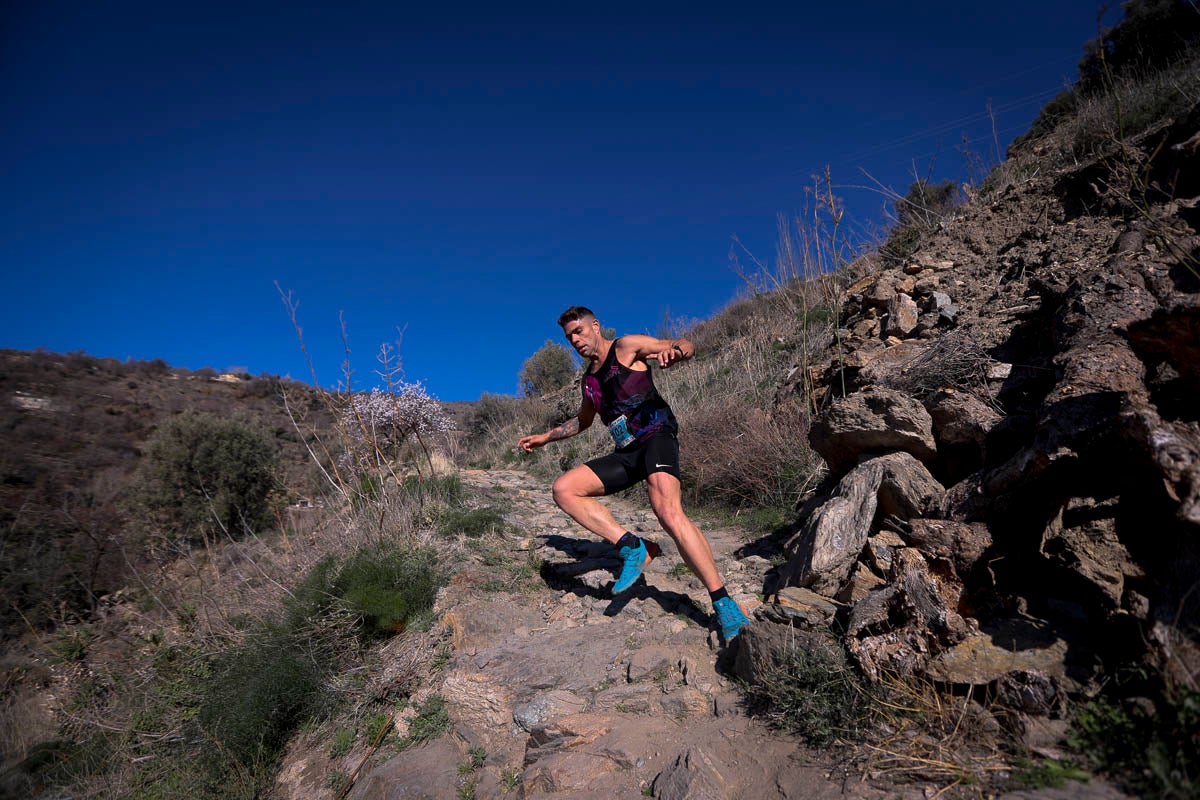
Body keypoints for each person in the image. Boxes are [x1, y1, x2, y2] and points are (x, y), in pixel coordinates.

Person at [518, 306, 751, 642]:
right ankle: (634, 546)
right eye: (569, 337)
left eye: (579, 331)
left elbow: (683, 344)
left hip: (656, 436)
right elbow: (582, 422)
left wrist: (678, 353)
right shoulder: (589, 382)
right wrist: (545, 437)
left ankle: (723, 602)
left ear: (595, 326)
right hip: (626, 452)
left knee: (668, 512)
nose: (575, 340)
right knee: (564, 489)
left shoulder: (626, 347)